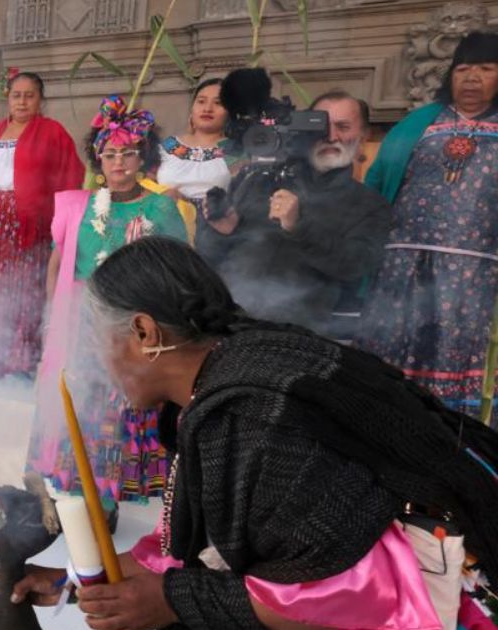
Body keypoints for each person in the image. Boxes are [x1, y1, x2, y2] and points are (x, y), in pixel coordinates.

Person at [10, 237, 498, 630]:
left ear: (144, 332)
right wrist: (81, 579)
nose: (96, 355)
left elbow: (344, 587)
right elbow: (215, 540)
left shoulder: (251, 419)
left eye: (97, 336)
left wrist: (170, 601)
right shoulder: (240, 366)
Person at [25, 95, 185, 515]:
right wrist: (52, 320)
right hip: (83, 326)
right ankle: (71, 493)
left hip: (133, 330)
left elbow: (177, 271)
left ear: (143, 158)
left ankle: (107, 499)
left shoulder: (160, 208)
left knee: (119, 413)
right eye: (110, 154)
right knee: (79, 408)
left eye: (128, 154)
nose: (118, 163)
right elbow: (60, 263)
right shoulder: (78, 206)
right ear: (98, 160)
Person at [357, 32, 498, 421]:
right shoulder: (419, 123)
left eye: (486, 69)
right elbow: (377, 185)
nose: (471, 78)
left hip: (477, 274)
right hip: (402, 265)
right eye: (463, 69)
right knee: (391, 363)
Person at [197, 77, 390, 336]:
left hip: (296, 335)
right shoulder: (255, 180)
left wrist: (299, 226)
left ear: (363, 136)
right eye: (320, 127)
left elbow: (355, 267)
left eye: (343, 127)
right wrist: (220, 230)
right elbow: (208, 257)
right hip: (227, 325)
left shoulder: (370, 205)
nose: (331, 136)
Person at [0, 71, 84, 377]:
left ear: (40, 100)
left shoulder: (53, 132)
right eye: (16, 95)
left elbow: (72, 174)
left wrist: (51, 214)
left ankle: (19, 358)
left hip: (31, 225)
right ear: (8, 98)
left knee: (25, 288)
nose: (22, 101)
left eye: (29, 95)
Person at [155, 78, 231, 203]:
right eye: (201, 101)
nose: (207, 108)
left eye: (218, 103)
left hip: (216, 220)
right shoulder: (169, 145)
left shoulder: (237, 150)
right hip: (169, 219)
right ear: (192, 108)